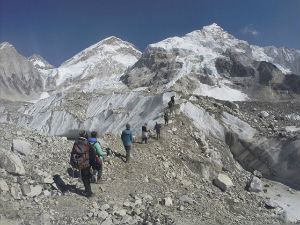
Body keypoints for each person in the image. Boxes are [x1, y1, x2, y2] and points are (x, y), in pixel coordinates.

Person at [71, 130, 94, 197]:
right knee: (86, 177)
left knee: (84, 177)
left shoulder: (76, 142)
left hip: (79, 162)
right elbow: (92, 154)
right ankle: (89, 193)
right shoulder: (87, 143)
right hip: (86, 163)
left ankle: (88, 190)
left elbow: (73, 152)